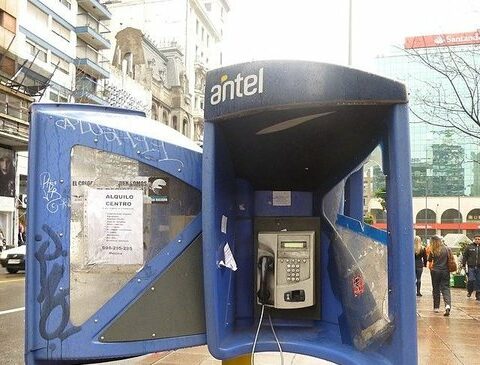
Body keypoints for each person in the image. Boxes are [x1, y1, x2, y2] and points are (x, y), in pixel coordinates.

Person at [427, 235, 451, 316]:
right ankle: (447, 305)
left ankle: (436, 307)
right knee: (446, 288)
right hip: (445, 271)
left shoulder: (433, 250)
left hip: (435, 271)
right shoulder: (447, 249)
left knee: (436, 288)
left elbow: (429, 261)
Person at [461, 234, 480, 301]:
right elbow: (465, 256)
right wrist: (463, 265)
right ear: (474, 239)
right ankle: (470, 291)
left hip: (479, 267)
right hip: (471, 267)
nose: (477, 240)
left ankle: (478, 294)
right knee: (471, 280)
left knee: (478, 281)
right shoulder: (469, 247)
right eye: (476, 239)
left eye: (479, 239)